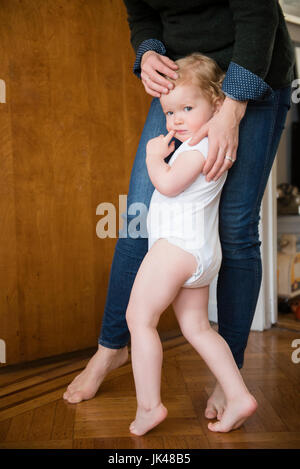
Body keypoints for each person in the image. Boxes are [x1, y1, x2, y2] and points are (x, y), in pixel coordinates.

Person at [63, 0, 294, 422]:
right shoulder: (178, 109)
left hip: (252, 68)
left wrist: (234, 105)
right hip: (186, 79)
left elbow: (257, 14)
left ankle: (231, 378)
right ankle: (110, 350)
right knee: (137, 219)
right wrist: (148, 51)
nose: (175, 121)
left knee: (236, 227)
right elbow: (142, 17)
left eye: (181, 116)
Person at [126, 53, 258, 436]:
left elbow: (167, 184)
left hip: (176, 248)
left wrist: (154, 158)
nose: (176, 119)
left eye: (187, 107)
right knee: (198, 327)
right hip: (200, 253)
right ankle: (237, 395)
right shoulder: (212, 145)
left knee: (139, 319)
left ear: (217, 104)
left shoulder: (199, 148)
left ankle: (149, 406)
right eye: (169, 112)